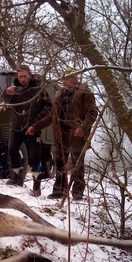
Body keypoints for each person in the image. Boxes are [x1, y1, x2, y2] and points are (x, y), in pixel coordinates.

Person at [27, 67, 98, 200]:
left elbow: (93, 113)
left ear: (75, 79)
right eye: (65, 78)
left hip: (77, 135)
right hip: (61, 135)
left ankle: (77, 192)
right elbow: (51, 116)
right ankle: (59, 191)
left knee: (77, 165)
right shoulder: (59, 94)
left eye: (70, 78)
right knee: (60, 163)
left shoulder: (84, 92)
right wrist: (35, 127)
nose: (67, 81)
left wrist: (82, 128)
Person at [1, 65, 51, 195]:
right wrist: (7, 93)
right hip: (17, 127)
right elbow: (5, 101)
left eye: (24, 76)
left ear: (30, 75)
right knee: (12, 149)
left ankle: (36, 186)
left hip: (32, 128)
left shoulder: (38, 88)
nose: (22, 79)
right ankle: (16, 178)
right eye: (20, 76)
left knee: (35, 157)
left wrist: (35, 123)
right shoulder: (16, 89)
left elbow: (48, 107)